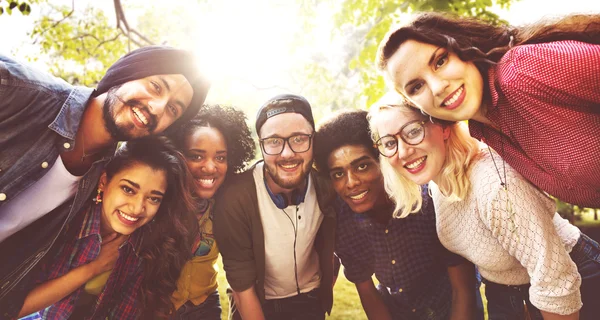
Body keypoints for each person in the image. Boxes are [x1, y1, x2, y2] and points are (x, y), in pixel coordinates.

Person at [0, 46, 209, 316]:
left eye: (172, 109)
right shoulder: (20, 90)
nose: (157, 108)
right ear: (125, 74)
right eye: (156, 86)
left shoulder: (97, 177)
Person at [368, 96, 600, 320]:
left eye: (413, 132)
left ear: (443, 127)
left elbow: (555, 278)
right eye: (390, 143)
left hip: (572, 282)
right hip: (505, 293)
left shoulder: (493, 184)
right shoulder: (438, 184)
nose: (403, 151)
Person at [375, 12, 600, 208]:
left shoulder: (520, 70)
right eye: (417, 87)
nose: (437, 87)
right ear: (414, 103)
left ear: (461, 47)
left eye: (440, 61)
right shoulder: (485, 131)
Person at [313, 109, 480, 320]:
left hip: (451, 305)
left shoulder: (428, 201)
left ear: (382, 161)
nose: (351, 182)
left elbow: (462, 290)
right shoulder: (343, 221)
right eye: (338, 173)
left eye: (362, 166)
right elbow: (367, 292)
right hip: (397, 310)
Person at [15, 136, 198, 319]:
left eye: (153, 198)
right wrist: (93, 268)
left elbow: (126, 311)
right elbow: (11, 307)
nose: (137, 208)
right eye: (128, 189)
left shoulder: (148, 244)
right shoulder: (64, 224)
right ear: (104, 181)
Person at [213, 94, 336, 320]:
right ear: (261, 145)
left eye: (299, 139)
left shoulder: (328, 186)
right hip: (255, 302)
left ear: (313, 141)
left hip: (311, 301)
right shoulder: (235, 198)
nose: (287, 153)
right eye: (274, 141)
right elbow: (241, 285)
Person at [168, 104, 255, 320]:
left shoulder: (227, 204)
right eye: (197, 157)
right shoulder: (159, 200)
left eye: (220, 157)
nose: (210, 167)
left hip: (204, 306)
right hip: (156, 306)